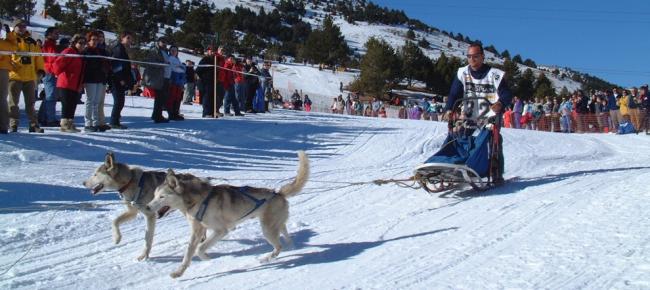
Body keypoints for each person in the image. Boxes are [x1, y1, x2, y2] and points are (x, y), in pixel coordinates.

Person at [444, 43, 512, 184]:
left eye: (475, 56)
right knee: (458, 135)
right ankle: (454, 166)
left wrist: (500, 103)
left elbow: (506, 95)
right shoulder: (462, 73)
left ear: (482, 57)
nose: (472, 59)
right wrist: (449, 109)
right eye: (469, 56)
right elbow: (453, 93)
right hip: (469, 113)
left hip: (490, 115)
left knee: (494, 140)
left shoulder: (495, 74)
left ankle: (496, 173)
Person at [8, 19, 45, 133]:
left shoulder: (32, 41)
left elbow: (38, 56)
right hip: (14, 76)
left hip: (30, 77)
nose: (22, 28)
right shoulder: (9, 40)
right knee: (13, 103)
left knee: (31, 104)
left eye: (23, 26)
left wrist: (40, 70)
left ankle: (34, 124)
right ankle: (13, 124)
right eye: (19, 26)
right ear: (14, 27)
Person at [53, 34, 86, 133]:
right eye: (80, 43)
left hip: (75, 84)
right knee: (67, 105)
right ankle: (64, 125)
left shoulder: (80, 55)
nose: (82, 45)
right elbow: (58, 64)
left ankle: (70, 123)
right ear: (74, 43)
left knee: (72, 104)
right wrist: (57, 72)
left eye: (84, 43)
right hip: (65, 83)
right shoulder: (69, 52)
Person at [82, 31, 110, 132]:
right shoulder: (86, 51)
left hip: (100, 79)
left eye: (96, 40)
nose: (95, 42)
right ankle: (88, 123)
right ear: (89, 40)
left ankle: (96, 122)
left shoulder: (100, 51)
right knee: (90, 101)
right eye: (93, 40)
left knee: (97, 102)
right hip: (90, 79)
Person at [109, 31, 134, 129]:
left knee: (120, 101)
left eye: (131, 39)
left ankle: (116, 120)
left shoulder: (122, 49)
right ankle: (113, 121)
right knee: (119, 101)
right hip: (116, 79)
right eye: (128, 38)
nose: (130, 40)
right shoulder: (118, 49)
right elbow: (116, 65)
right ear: (122, 38)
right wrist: (121, 79)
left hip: (121, 78)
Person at [142, 38, 170, 123]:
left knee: (162, 98)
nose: (164, 44)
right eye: (163, 42)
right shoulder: (154, 51)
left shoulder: (165, 52)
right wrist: (163, 65)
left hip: (165, 77)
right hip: (158, 77)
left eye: (165, 42)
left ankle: (157, 114)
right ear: (158, 42)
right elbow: (152, 63)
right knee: (159, 97)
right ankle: (157, 116)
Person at [38, 27, 60, 127]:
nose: (57, 35)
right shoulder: (48, 44)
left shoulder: (52, 44)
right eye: (55, 33)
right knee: (51, 96)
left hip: (50, 71)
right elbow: (52, 58)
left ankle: (42, 117)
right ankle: (50, 119)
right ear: (49, 34)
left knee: (49, 96)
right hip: (49, 71)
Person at [0, 23, 16, 134]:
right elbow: (14, 47)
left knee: (2, 99)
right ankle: (3, 126)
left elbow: (14, 48)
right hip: (3, 70)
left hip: (3, 70)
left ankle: (3, 126)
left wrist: (9, 34)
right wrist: (9, 34)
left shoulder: (4, 43)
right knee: (2, 99)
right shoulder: (5, 43)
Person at [166, 45, 185, 120]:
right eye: (172, 50)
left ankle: (175, 112)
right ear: (170, 51)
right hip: (173, 79)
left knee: (178, 97)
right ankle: (171, 114)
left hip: (179, 80)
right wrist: (181, 68)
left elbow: (182, 68)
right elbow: (175, 68)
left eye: (175, 50)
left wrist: (181, 68)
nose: (174, 52)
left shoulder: (177, 59)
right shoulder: (170, 58)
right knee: (172, 96)